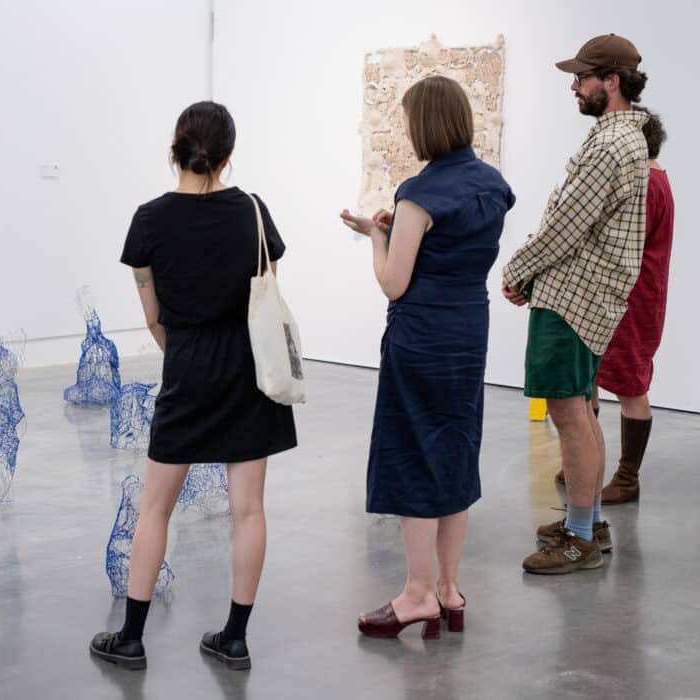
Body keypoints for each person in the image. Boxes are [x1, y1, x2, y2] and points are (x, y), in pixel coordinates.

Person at [89, 101, 297, 670]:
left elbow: (153, 314)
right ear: (229, 154)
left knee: (155, 509)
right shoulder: (253, 212)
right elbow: (265, 299)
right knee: (248, 510)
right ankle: (235, 637)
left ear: (174, 148)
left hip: (186, 372)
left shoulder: (149, 219)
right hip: (250, 374)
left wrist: (184, 354)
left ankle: (130, 638)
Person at [340, 76, 514, 638]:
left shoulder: (418, 193)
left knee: (415, 454)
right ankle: (449, 589)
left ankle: (416, 596)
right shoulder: (492, 186)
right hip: (468, 333)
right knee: (456, 450)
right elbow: (456, 250)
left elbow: (394, 283)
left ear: (425, 124)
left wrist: (375, 236)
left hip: (420, 339)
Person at [501, 34, 649, 574]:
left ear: (611, 81)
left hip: (574, 298)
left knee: (569, 413)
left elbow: (566, 225)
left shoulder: (612, 146)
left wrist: (519, 271)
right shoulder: (623, 140)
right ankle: (588, 525)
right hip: (579, 295)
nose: (574, 86)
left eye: (582, 77)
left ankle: (580, 537)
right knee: (581, 411)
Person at [555, 108, 673, 504]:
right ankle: (586, 460)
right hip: (624, 294)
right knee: (592, 376)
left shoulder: (650, 185)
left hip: (633, 299)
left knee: (630, 385)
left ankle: (627, 476)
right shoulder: (653, 180)